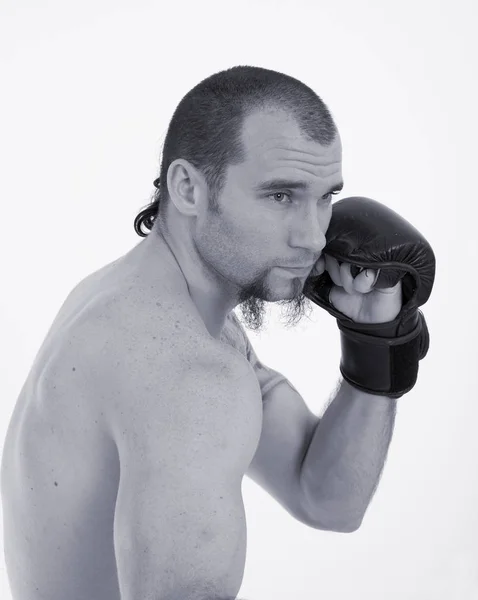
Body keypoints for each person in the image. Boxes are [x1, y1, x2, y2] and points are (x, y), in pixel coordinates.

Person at [1, 65, 434, 600]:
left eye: (325, 198)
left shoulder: (141, 306)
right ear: (188, 187)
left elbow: (327, 498)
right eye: (281, 197)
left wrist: (376, 343)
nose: (313, 236)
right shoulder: (187, 374)